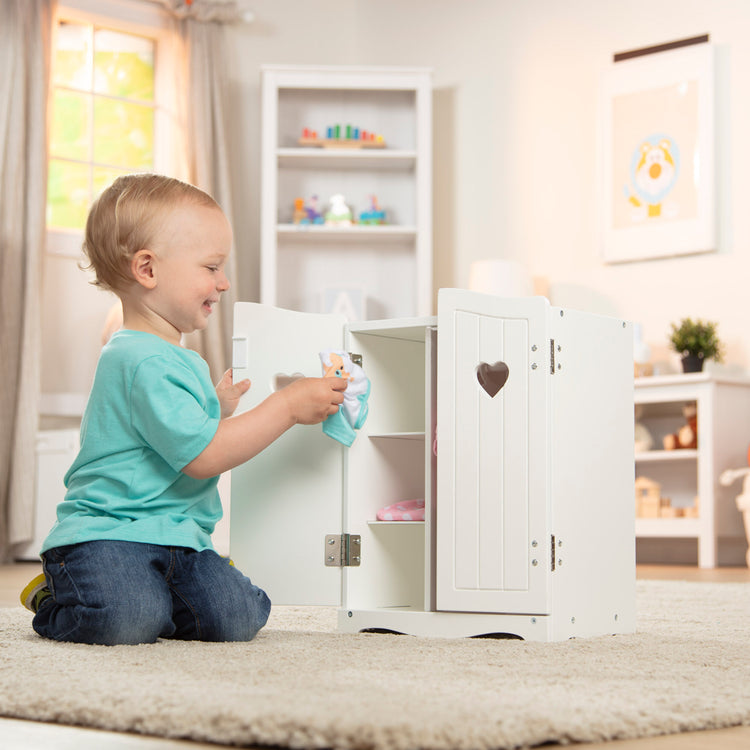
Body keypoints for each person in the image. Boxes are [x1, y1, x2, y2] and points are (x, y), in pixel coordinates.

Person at [20, 174, 347, 645]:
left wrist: (215, 407)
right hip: (110, 534)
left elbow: (172, 434)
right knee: (125, 619)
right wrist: (287, 406)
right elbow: (202, 457)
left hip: (181, 538)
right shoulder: (135, 356)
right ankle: (56, 598)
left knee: (236, 618)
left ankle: (160, 600)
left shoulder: (180, 358)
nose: (224, 282)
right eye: (211, 267)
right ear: (148, 270)